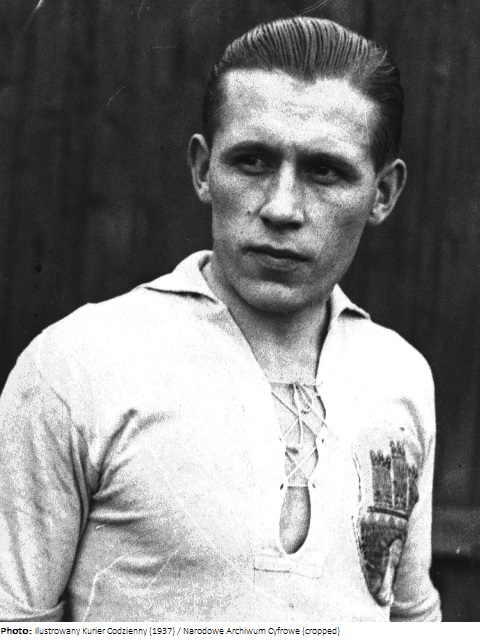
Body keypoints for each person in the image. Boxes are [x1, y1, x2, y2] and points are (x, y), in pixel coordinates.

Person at [0, 17, 441, 622]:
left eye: (325, 171)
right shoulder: (77, 365)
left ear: (383, 193)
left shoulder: (399, 376)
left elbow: (413, 618)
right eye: (252, 161)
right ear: (204, 170)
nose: (282, 208)